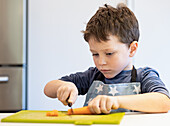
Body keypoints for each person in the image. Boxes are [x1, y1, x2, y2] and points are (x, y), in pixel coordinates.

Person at [44, 3, 170, 114]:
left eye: (109, 53)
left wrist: (116, 101)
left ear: (132, 49)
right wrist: (64, 86)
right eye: (95, 54)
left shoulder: (143, 76)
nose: (101, 62)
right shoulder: (93, 76)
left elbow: (164, 102)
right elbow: (48, 89)